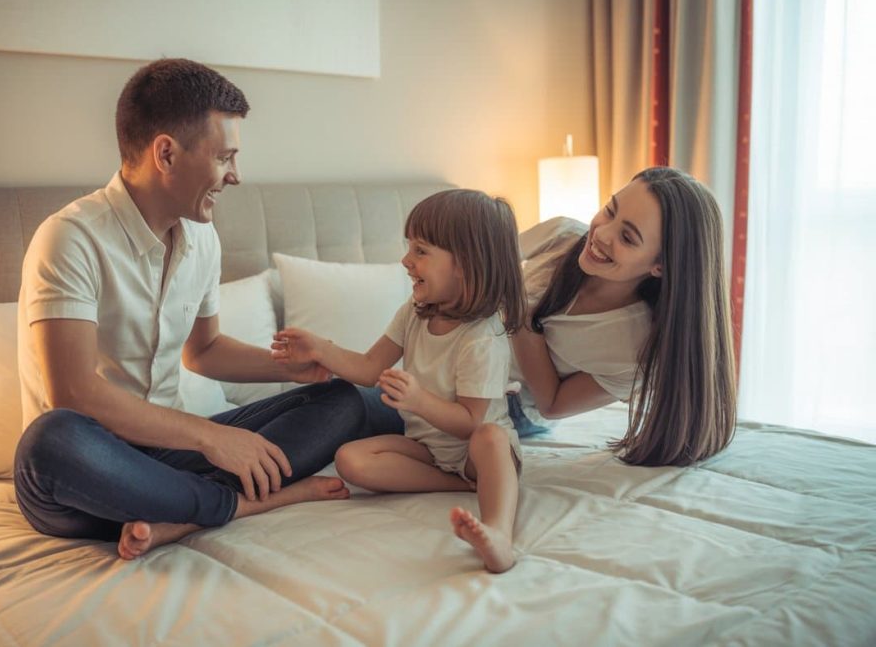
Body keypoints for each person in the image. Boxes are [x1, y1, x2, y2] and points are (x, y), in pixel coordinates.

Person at [14, 58, 400, 560]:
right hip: (91, 469)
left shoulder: (200, 235)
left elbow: (204, 350)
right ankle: (241, 504)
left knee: (343, 399)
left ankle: (182, 511)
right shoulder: (70, 239)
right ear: (167, 154)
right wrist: (212, 437)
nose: (235, 176)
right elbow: (74, 393)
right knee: (51, 440)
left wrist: (293, 368)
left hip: (173, 460)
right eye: (224, 157)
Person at [272, 189, 527, 573]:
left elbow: (471, 422)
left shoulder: (482, 337)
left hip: (476, 454)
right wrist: (321, 349)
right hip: (429, 449)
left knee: (492, 437)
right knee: (350, 458)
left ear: (466, 264)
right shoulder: (414, 313)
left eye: (421, 251)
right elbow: (370, 367)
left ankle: (499, 537)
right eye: (410, 248)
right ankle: (457, 486)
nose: (406, 261)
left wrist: (418, 400)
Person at [510, 166, 737, 466]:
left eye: (627, 237)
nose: (601, 233)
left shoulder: (633, 346)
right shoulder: (560, 235)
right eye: (609, 210)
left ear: (660, 266)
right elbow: (486, 269)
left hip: (515, 404)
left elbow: (552, 405)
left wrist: (522, 320)